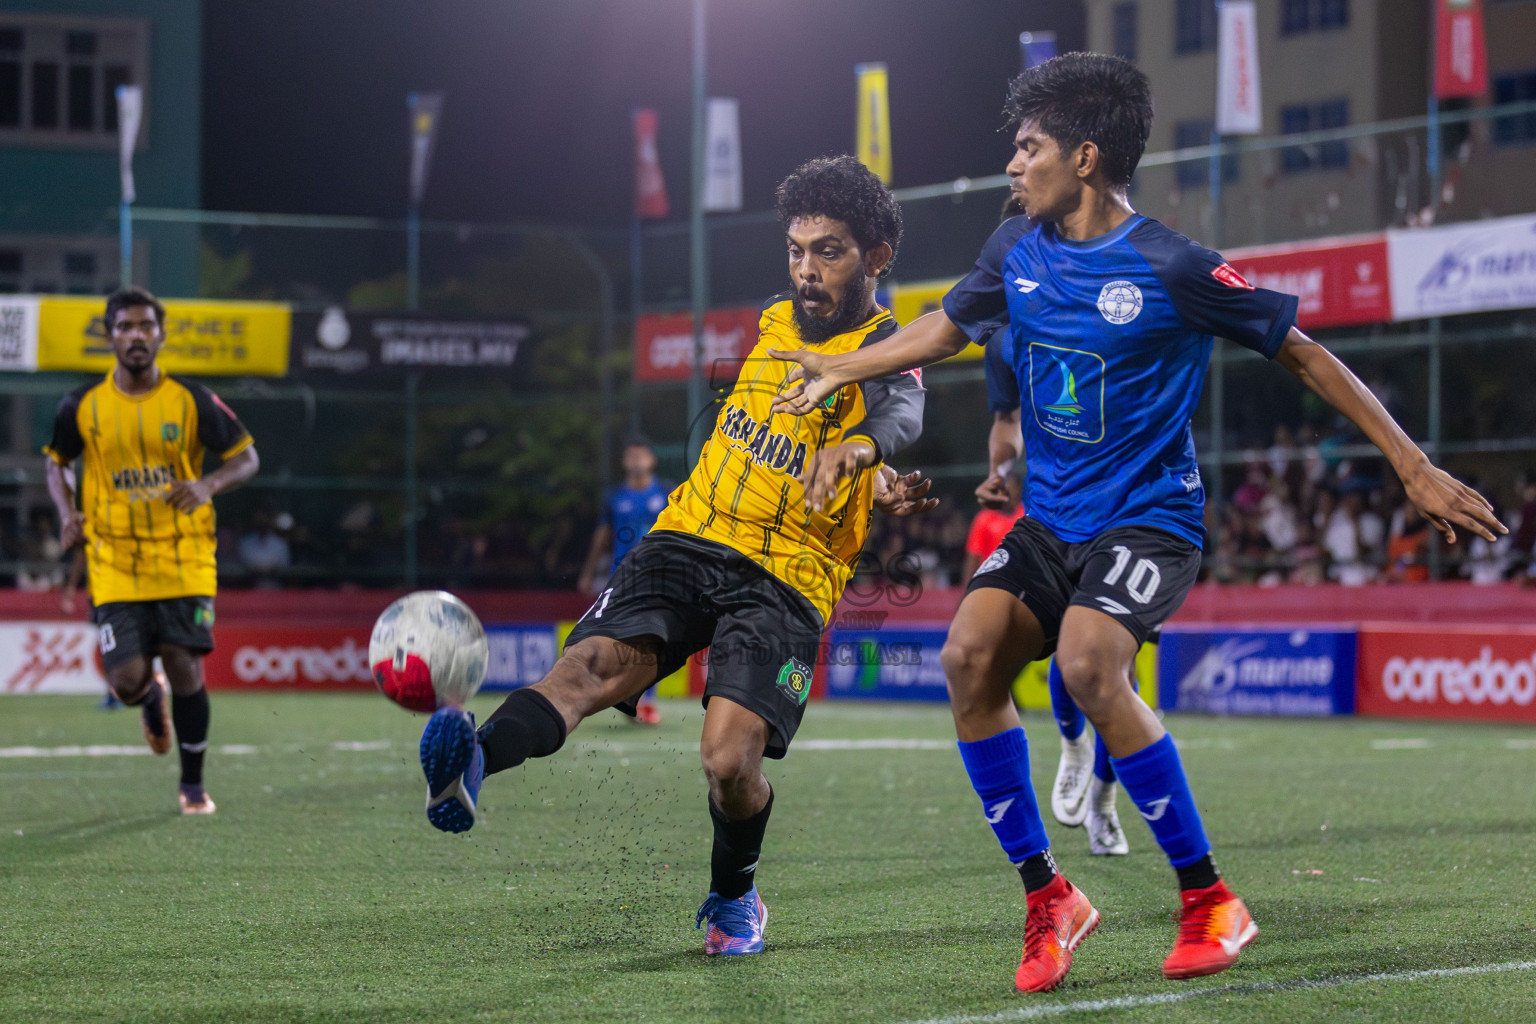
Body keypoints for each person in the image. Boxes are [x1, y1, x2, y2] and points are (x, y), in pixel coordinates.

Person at [771, 54, 1505, 991]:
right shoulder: (1014, 251)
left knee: (1086, 662)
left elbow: (1307, 355)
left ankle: (1210, 900)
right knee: (966, 655)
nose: (1011, 166)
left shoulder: (1174, 265)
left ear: (1083, 158)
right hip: (1054, 522)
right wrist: (844, 369)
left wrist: (1413, 464)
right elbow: (947, 331)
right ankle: (1050, 898)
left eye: (1027, 149)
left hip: (1150, 521)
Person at [407, 155, 935, 956]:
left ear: (878, 256)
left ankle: (735, 899)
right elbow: (788, 434)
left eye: (828, 250)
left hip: (788, 577)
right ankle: (471, 761)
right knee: (584, 671)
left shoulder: (890, 348)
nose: (806, 269)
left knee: (727, 762)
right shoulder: (772, 323)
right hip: (689, 535)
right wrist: (863, 465)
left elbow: (900, 410)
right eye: (795, 250)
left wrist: (866, 455)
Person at [44, 287, 260, 815]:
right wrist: (67, 512)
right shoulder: (82, 405)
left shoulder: (191, 399)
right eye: (124, 327)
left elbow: (247, 457)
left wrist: (208, 486)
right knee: (124, 680)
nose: (136, 335)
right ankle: (148, 699)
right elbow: (56, 464)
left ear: (160, 334)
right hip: (114, 559)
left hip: (182, 554)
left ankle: (192, 785)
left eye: (145, 326)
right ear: (110, 335)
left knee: (185, 663)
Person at [972, 242, 1127, 859]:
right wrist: (1000, 470)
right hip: (1058, 515)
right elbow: (1006, 422)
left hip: (1136, 516)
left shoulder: (1114, 304)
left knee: (1119, 679)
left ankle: (1105, 805)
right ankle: (1071, 747)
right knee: (1073, 653)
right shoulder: (1003, 340)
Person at [576, 438, 672, 724]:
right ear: (623, 462)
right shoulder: (614, 497)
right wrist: (589, 571)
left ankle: (646, 700)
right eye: (630, 456)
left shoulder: (667, 492)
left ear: (651, 460)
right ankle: (620, 692)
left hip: (659, 576)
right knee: (617, 635)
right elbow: (602, 536)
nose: (635, 461)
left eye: (641, 455)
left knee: (653, 637)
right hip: (621, 575)